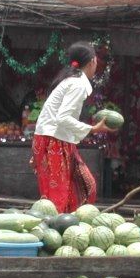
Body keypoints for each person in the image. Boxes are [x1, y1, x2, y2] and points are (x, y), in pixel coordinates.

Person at [31, 41, 116, 212]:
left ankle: (68, 227)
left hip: (56, 139)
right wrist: (93, 129)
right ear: (93, 61)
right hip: (54, 140)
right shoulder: (77, 84)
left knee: (84, 186)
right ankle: (55, 232)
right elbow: (63, 118)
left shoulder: (72, 80)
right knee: (58, 196)